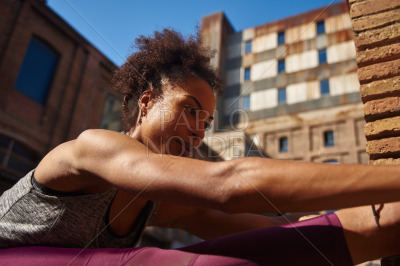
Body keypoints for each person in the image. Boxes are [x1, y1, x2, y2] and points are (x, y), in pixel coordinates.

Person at [1, 28, 400, 265]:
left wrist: (363, 221)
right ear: (146, 100)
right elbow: (228, 183)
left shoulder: (162, 201)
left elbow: (285, 233)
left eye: (206, 121)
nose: (198, 130)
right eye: (189, 110)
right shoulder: (93, 148)